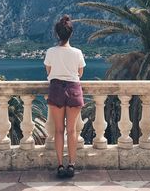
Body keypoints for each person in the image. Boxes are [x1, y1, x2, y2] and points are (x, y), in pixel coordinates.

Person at [44, 14, 86, 178]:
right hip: (74, 89)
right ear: (71, 34)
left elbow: (48, 71)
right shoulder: (77, 52)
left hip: (56, 89)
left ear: (57, 34)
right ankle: (72, 165)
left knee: (59, 130)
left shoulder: (51, 51)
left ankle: (60, 165)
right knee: (72, 130)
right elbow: (80, 72)